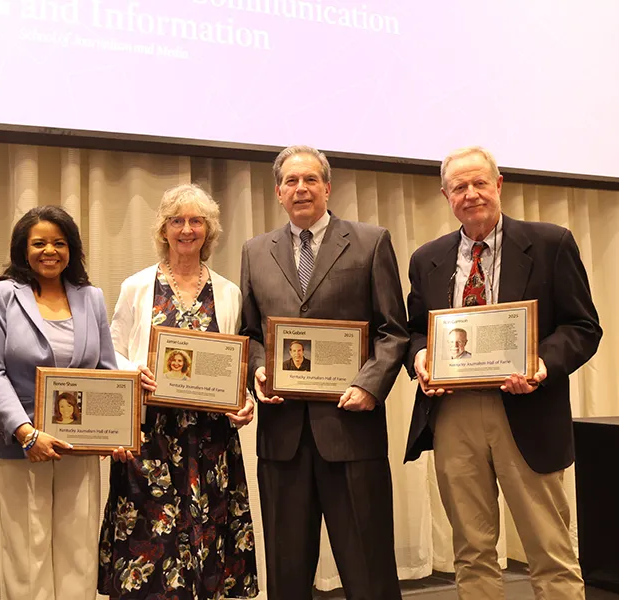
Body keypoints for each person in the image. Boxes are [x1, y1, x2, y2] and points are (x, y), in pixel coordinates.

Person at [404, 146, 601, 600]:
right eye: (459, 187)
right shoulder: (426, 258)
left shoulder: (551, 243)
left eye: (479, 183)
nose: (470, 194)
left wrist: (542, 364)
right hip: (453, 415)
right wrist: (419, 358)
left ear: (499, 184)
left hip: (528, 408)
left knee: (549, 548)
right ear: (445, 195)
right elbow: (415, 331)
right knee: (472, 550)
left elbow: (583, 327)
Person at [240, 145, 408, 600]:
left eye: (310, 179)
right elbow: (250, 334)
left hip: (351, 430)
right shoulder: (256, 251)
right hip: (283, 437)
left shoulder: (372, 241)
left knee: (368, 568)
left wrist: (369, 385)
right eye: (291, 181)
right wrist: (258, 372)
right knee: (287, 570)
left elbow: (393, 330)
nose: (301, 189)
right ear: (278, 192)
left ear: (327, 187)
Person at [99, 183, 259, 599]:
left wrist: (244, 401)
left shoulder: (228, 292)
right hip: (151, 438)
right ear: (163, 229)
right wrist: (134, 372)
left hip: (210, 441)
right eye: (177, 221)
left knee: (208, 543)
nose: (186, 229)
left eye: (196, 221)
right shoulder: (137, 287)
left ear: (209, 231)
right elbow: (111, 351)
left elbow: (234, 363)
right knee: (150, 545)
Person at [0, 205, 118, 600]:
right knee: (27, 555)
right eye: (38, 242)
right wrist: (26, 433)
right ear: (23, 250)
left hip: (81, 448)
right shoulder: (0, 296)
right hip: (22, 445)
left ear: (71, 249)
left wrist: (116, 431)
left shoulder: (91, 298)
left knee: (79, 552)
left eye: (59, 243)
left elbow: (107, 372)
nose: (49, 251)